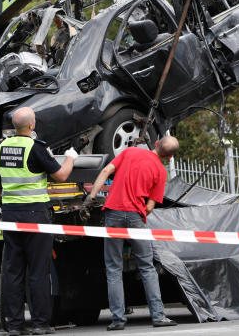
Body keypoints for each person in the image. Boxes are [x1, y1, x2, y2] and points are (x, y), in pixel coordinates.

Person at [84, 136, 180, 331]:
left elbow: (106, 170)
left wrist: (90, 197)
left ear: (155, 144)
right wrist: (135, 216)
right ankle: (159, 316)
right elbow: (150, 206)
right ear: (169, 157)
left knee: (113, 269)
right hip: (136, 216)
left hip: (113, 214)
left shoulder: (129, 152)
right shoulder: (161, 172)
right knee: (146, 267)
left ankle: (118, 319)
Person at [0, 107, 77, 336]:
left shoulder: (3, 147)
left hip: (10, 215)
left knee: (13, 272)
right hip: (34, 215)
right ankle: (40, 323)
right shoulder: (36, 147)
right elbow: (61, 175)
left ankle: (15, 325)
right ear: (31, 126)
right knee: (38, 272)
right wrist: (71, 157)